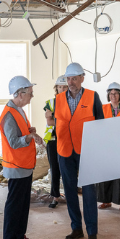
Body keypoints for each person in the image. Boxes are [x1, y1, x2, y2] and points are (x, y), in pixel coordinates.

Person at [54, 62, 104, 239]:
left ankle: (92, 232)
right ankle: (76, 228)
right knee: (69, 190)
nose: (71, 82)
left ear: (82, 78)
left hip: (87, 151)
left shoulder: (92, 96)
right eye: (68, 78)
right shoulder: (58, 99)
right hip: (64, 150)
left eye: (74, 78)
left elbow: (100, 124)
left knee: (89, 192)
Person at [0, 76, 43, 239]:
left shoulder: (19, 110)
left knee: (23, 204)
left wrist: (29, 131)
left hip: (24, 166)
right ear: (19, 94)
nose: (32, 96)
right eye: (30, 93)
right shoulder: (9, 115)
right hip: (16, 166)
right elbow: (13, 142)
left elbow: (20, 134)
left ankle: (19, 235)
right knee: (15, 205)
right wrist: (30, 136)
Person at [97, 82, 120, 211]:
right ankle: (106, 201)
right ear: (108, 95)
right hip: (106, 147)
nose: (113, 96)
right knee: (106, 175)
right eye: (111, 93)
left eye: (116, 93)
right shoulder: (102, 108)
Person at [43, 75, 67, 209]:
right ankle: (55, 196)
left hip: (67, 139)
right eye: (59, 87)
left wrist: (56, 119)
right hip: (53, 140)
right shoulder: (50, 103)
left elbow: (54, 119)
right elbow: (49, 121)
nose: (61, 89)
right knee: (55, 169)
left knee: (67, 169)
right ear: (56, 88)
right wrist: (65, 121)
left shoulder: (71, 102)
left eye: (64, 87)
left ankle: (69, 194)